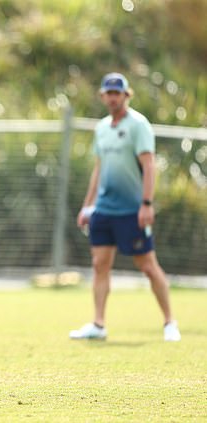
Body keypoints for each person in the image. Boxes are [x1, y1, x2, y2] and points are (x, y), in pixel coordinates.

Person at [70, 72, 181, 342]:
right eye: (108, 93)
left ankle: (169, 322)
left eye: (117, 93)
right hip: (104, 211)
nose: (112, 98)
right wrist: (87, 206)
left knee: (147, 266)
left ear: (126, 95)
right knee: (99, 265)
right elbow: (99, 169)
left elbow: (149, 165)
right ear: (102, 96)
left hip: (133, 211)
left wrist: (146, 204)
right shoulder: (102, 128)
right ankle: (98, 324)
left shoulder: (138, 125)